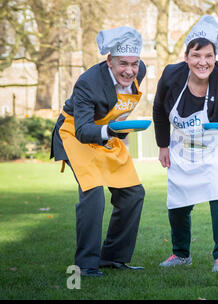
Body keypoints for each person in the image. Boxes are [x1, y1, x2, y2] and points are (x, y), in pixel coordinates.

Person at [153, 15, 218, 272]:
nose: (203, 62)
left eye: (209, 56)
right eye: (197, 55)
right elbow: (158, 110)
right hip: (183, 143)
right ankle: (180, 254)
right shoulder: (170, 75)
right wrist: (163, 145)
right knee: (177, 198)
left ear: (215, 57)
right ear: (186, 56)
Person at [50, 26, 147, 277]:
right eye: (123, 64)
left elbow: (119, 104)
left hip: (107, 132)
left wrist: (122, 127)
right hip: (75, 134)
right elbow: (82, 130)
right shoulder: (87, 82)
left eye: (134, 64)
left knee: (133, 193)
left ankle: (113, 258)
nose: (130, 70)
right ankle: (85, 265)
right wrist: (113, 131)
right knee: (93, 194)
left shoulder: (140, 71)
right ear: (109, 61)